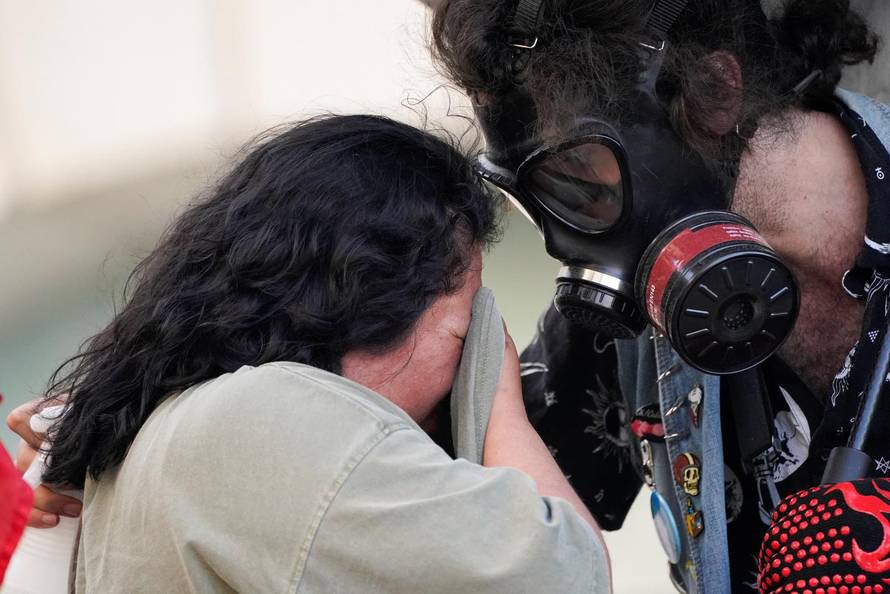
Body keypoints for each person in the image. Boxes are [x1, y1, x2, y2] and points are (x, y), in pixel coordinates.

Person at [6, 115, 611, 592]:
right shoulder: (267, 415)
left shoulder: (186, 427)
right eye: (463, 331)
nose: (465, 367)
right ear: (376, 303)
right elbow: (563, 575)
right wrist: (499, 397)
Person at [430, 0, 889, 592]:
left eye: (579, 176)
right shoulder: (631, 310)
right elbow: (459, 517)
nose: (561, 244)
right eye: (534, 198)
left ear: (718, 93)